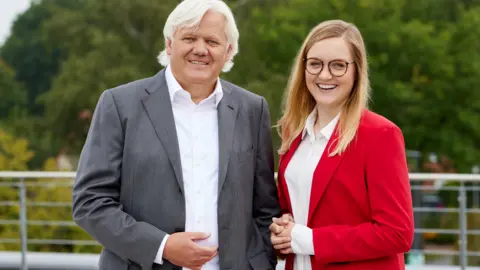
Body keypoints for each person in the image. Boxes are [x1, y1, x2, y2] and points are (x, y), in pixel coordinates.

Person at [71, 0, 281, 269]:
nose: (200, 49)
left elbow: (265, 207)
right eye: (189, 38)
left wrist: (262, 261)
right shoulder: (119, 104)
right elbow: (90, 202)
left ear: (228, 51)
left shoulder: (252, 109)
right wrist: (162, 247)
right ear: (170, 44)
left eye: (212, 41)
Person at [269, 20, 414, 270]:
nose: (325, 75)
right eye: (315, 64)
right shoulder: (293, 133)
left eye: (338, 66)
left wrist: (309, 240)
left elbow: (397, 233)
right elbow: (295, 211)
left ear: (356, 71)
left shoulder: (380, 134)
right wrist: (281, 228)